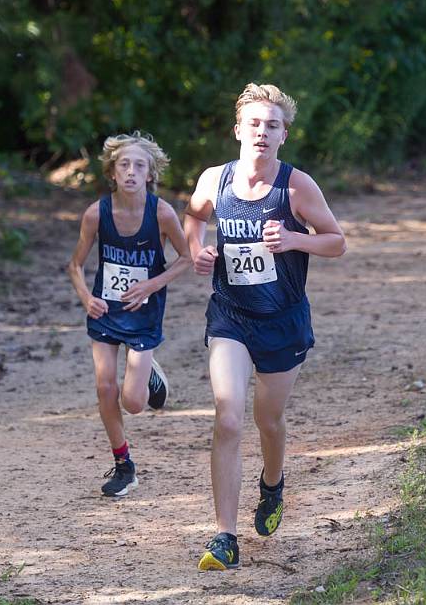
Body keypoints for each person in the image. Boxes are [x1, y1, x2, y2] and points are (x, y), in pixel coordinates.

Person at [183, 83, 346, 571]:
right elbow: (193, 219)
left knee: (266, 421)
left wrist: (295, 238)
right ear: (238, 130)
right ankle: (224, 536)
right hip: (230, 315)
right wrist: (197, 250)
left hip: (282, 321)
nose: (261, 132)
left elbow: (336, 241)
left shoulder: (296, 187)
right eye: (254, 123)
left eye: (271, 125)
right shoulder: (214, 179)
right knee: (228, 415)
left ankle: (272, 486)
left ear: (283, 136)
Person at [67, 131, 192, 496]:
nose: (132, 172)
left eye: (140, 166)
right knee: (105, 387)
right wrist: (86, 297)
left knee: (133, 403)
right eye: (124, 165)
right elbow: (74, 265)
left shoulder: (162, 213)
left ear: (151, 174)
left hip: (143, 312)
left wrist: (151, 285)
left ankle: (149, 371)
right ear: (112, 173)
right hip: (105, 309)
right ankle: (124, 466)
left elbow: (185, 259)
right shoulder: (96, 214)